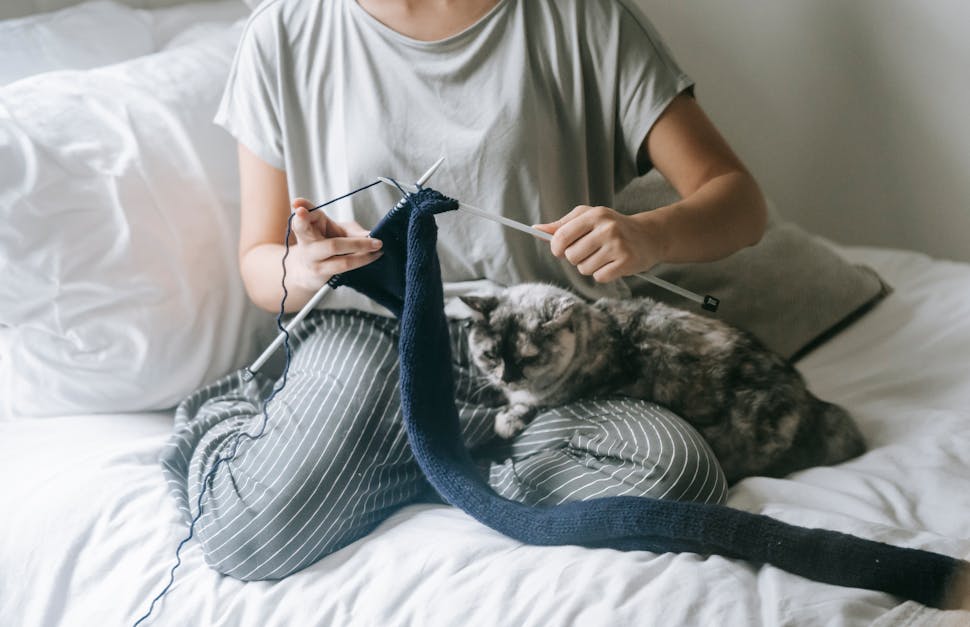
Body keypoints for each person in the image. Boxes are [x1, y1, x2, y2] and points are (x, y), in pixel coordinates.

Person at [161, 0, 767, 582]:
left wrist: (648, 234)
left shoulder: (585, 18)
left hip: (549, 354)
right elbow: (260, 268)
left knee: (680, 477)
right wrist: (312, 264)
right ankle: (439, 450)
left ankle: (428, 455)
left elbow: (739, 202)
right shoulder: (286, 29)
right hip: (375, 335)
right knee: (248, 532)